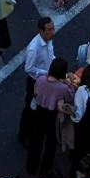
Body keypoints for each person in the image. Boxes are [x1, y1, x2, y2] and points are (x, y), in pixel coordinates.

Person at [27, 57, 71, 176]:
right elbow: (69, 98)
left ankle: (31, 166)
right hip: (53, 116)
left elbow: (35, 92)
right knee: (51, 143)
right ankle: (45, 170)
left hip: (39, 112)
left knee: (36, 139)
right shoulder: (63, 88)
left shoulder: (40, 80)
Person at [18, 17, 57, 146]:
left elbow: (50, 56)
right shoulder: (34, 48)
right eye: (49, 29)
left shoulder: (48, 40)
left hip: (45, 80)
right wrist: (46, 73)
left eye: (53, 28)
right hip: (35, 82)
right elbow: (28, 68)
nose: (53, 32)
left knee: (37, 107)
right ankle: (23, 135)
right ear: (41, 31)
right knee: (30, 108)